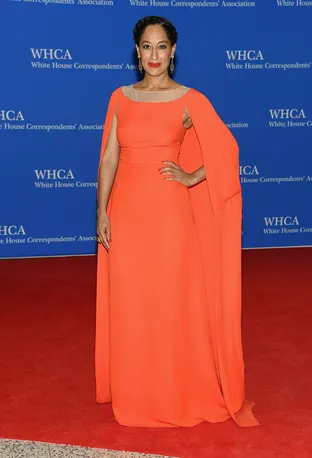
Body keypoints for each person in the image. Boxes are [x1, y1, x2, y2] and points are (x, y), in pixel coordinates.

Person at [95, 15, 258, 428]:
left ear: (173, 51)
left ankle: (177, 390)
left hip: (171, 216)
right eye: (147, 46)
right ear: (137, 51)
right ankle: (137, 392)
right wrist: (102, 209)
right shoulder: (120, 97)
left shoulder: (189, 99)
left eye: (162, 46)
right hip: (127, 213)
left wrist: (191, 176)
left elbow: (226, 150)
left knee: (172, 303)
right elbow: (109, 157)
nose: (154, 55)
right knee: (133, 303)